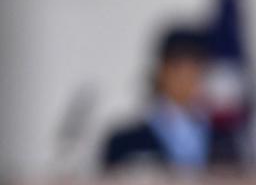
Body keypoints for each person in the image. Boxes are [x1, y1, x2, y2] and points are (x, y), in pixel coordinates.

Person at [101, 27, 242, 171]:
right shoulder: (125, 142)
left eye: (196, 67)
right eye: (178, 67)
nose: (186, 77)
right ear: (161, 70)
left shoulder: (224, 141)